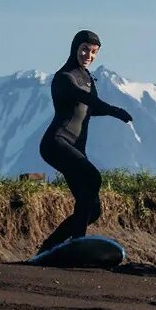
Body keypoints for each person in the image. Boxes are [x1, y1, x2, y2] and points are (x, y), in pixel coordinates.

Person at [37, 30, 132, 253]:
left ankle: (49, 247)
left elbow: (89, 108)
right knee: (92, 177)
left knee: (92, 208)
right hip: (57, 143)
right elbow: (85, 99)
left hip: (75, 147)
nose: (88, 55)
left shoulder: (87, 78)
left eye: (93, 52)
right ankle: (77, 242)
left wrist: (107, 111)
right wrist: (113, 110)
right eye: (84, 49)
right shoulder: (65, 77)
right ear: (75, 48)